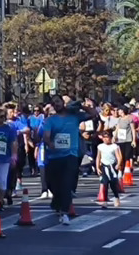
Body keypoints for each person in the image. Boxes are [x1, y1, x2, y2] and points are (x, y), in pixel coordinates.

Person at [43, 96, 86, 225]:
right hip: (54, 156)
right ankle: (57, 200)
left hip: (70, 155)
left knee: (66, 183)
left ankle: (64, 212)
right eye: (53, 103)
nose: (56, 104)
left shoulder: (75, 117)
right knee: (51, 183)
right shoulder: (50, 120)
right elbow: (46, 136)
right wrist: (50, 143)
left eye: (58, 101)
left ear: (63, 103)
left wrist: (81, 106)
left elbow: (93, 113)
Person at [96, 130, 123, 207]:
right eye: (104, 137)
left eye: (107, 137)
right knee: (104, 183)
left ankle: (116, 197)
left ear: (110, 138)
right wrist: (97, 167)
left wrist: (118, 164)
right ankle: (104, 201)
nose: (105, 139)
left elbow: (119, 157)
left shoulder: (114, 146)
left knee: (113, 183)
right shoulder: (100, 146)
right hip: (104, 166)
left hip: (112, 167)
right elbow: (98, 157)